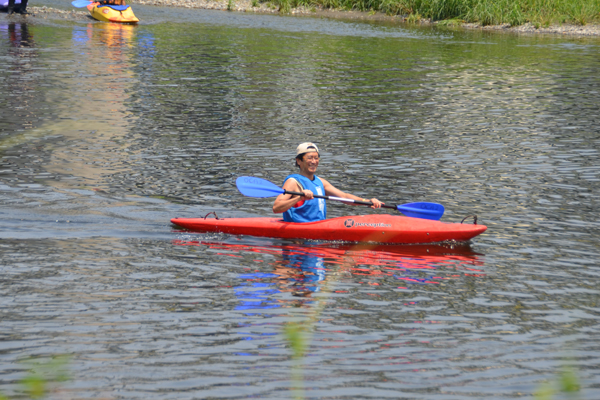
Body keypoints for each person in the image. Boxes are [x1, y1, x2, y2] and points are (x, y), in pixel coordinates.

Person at [273, 142, 382, 223]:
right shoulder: (293, 182)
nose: (313, 162)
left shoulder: (321, 182)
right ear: (299, 161)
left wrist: (367, 201)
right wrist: (299, 198)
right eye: (310, 158)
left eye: (316, 158)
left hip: (318, 227)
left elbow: (344, 196)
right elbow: (276, 207)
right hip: (299, 233)